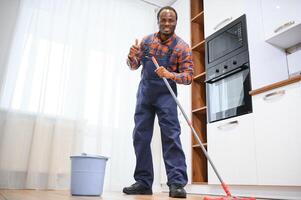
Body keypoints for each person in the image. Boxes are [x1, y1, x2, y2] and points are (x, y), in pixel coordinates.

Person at [123, 6, 194, 198]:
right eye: (164, 20)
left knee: (171, 137)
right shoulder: (147, 41)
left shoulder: (182, 47)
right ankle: (143, 182)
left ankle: (177, 183)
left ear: (176, 22)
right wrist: (131, 56)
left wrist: (170, 74)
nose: (167, 23)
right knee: (140, 136)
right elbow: (134, 65)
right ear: (158, 21)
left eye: (171, 20)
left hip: (166, 96)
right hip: (145, 94)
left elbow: (189, 77)